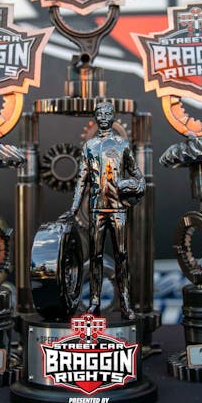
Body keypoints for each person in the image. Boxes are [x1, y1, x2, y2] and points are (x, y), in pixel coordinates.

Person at [62, 101, 144, 320]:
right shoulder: (89, 146)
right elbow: (81, 180)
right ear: (95, 117)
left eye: (108, 113)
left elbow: (138, 176)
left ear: (113, 116)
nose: (104, 117)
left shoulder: (122, 144)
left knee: (122, 256)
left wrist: (133, 187)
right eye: (100, 113)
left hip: (118, 210)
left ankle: (125, 303)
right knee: (95, 257)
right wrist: (74, 208)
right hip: (97, 209)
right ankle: (94, 302)